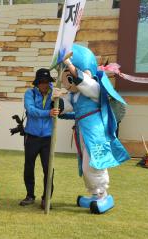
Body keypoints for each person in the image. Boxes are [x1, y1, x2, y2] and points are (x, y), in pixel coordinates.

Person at [54, 44, 130, 214]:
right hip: (83, 129)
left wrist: (71, 65)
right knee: (85, 163)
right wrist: (57, 100)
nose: (69, 81)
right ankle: (94, 194)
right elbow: (66, 106)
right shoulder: (74, 96)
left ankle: (102, 194)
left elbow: (86, 84)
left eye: (71, 75)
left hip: (95, 130)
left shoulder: (95, 88)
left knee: (94, 163)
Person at [19, 68, 60, 209]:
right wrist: (48, 112)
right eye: (42, 82)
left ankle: (46, 198)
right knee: (29, 167)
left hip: (48, 138)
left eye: (47, 82)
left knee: (49, 169)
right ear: (37, 83)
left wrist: (59, 101)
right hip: (31, 136)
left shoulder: (55, 93)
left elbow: (60, 109)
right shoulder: (29, 93)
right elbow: (30, 110)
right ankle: (30, 196)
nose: (45, 85)